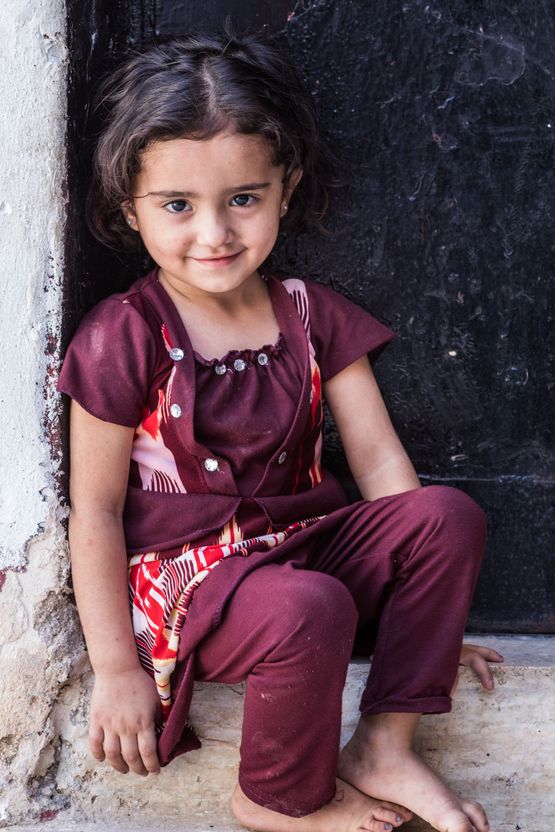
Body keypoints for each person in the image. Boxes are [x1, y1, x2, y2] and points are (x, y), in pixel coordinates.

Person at [57, 26, 504, 832]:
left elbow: (380, 467)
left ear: (284, 187)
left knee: (446, 514)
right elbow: (95, 511)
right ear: (131, 205)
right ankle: (277, 800)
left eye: (242, 199)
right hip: (194, 587)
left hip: (310, 553)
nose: (214, 234)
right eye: (176, 206)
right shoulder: (125, 335)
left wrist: (428, 622)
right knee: (309, 607)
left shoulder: (308, 315)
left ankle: (383, 745)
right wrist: (113, 669)